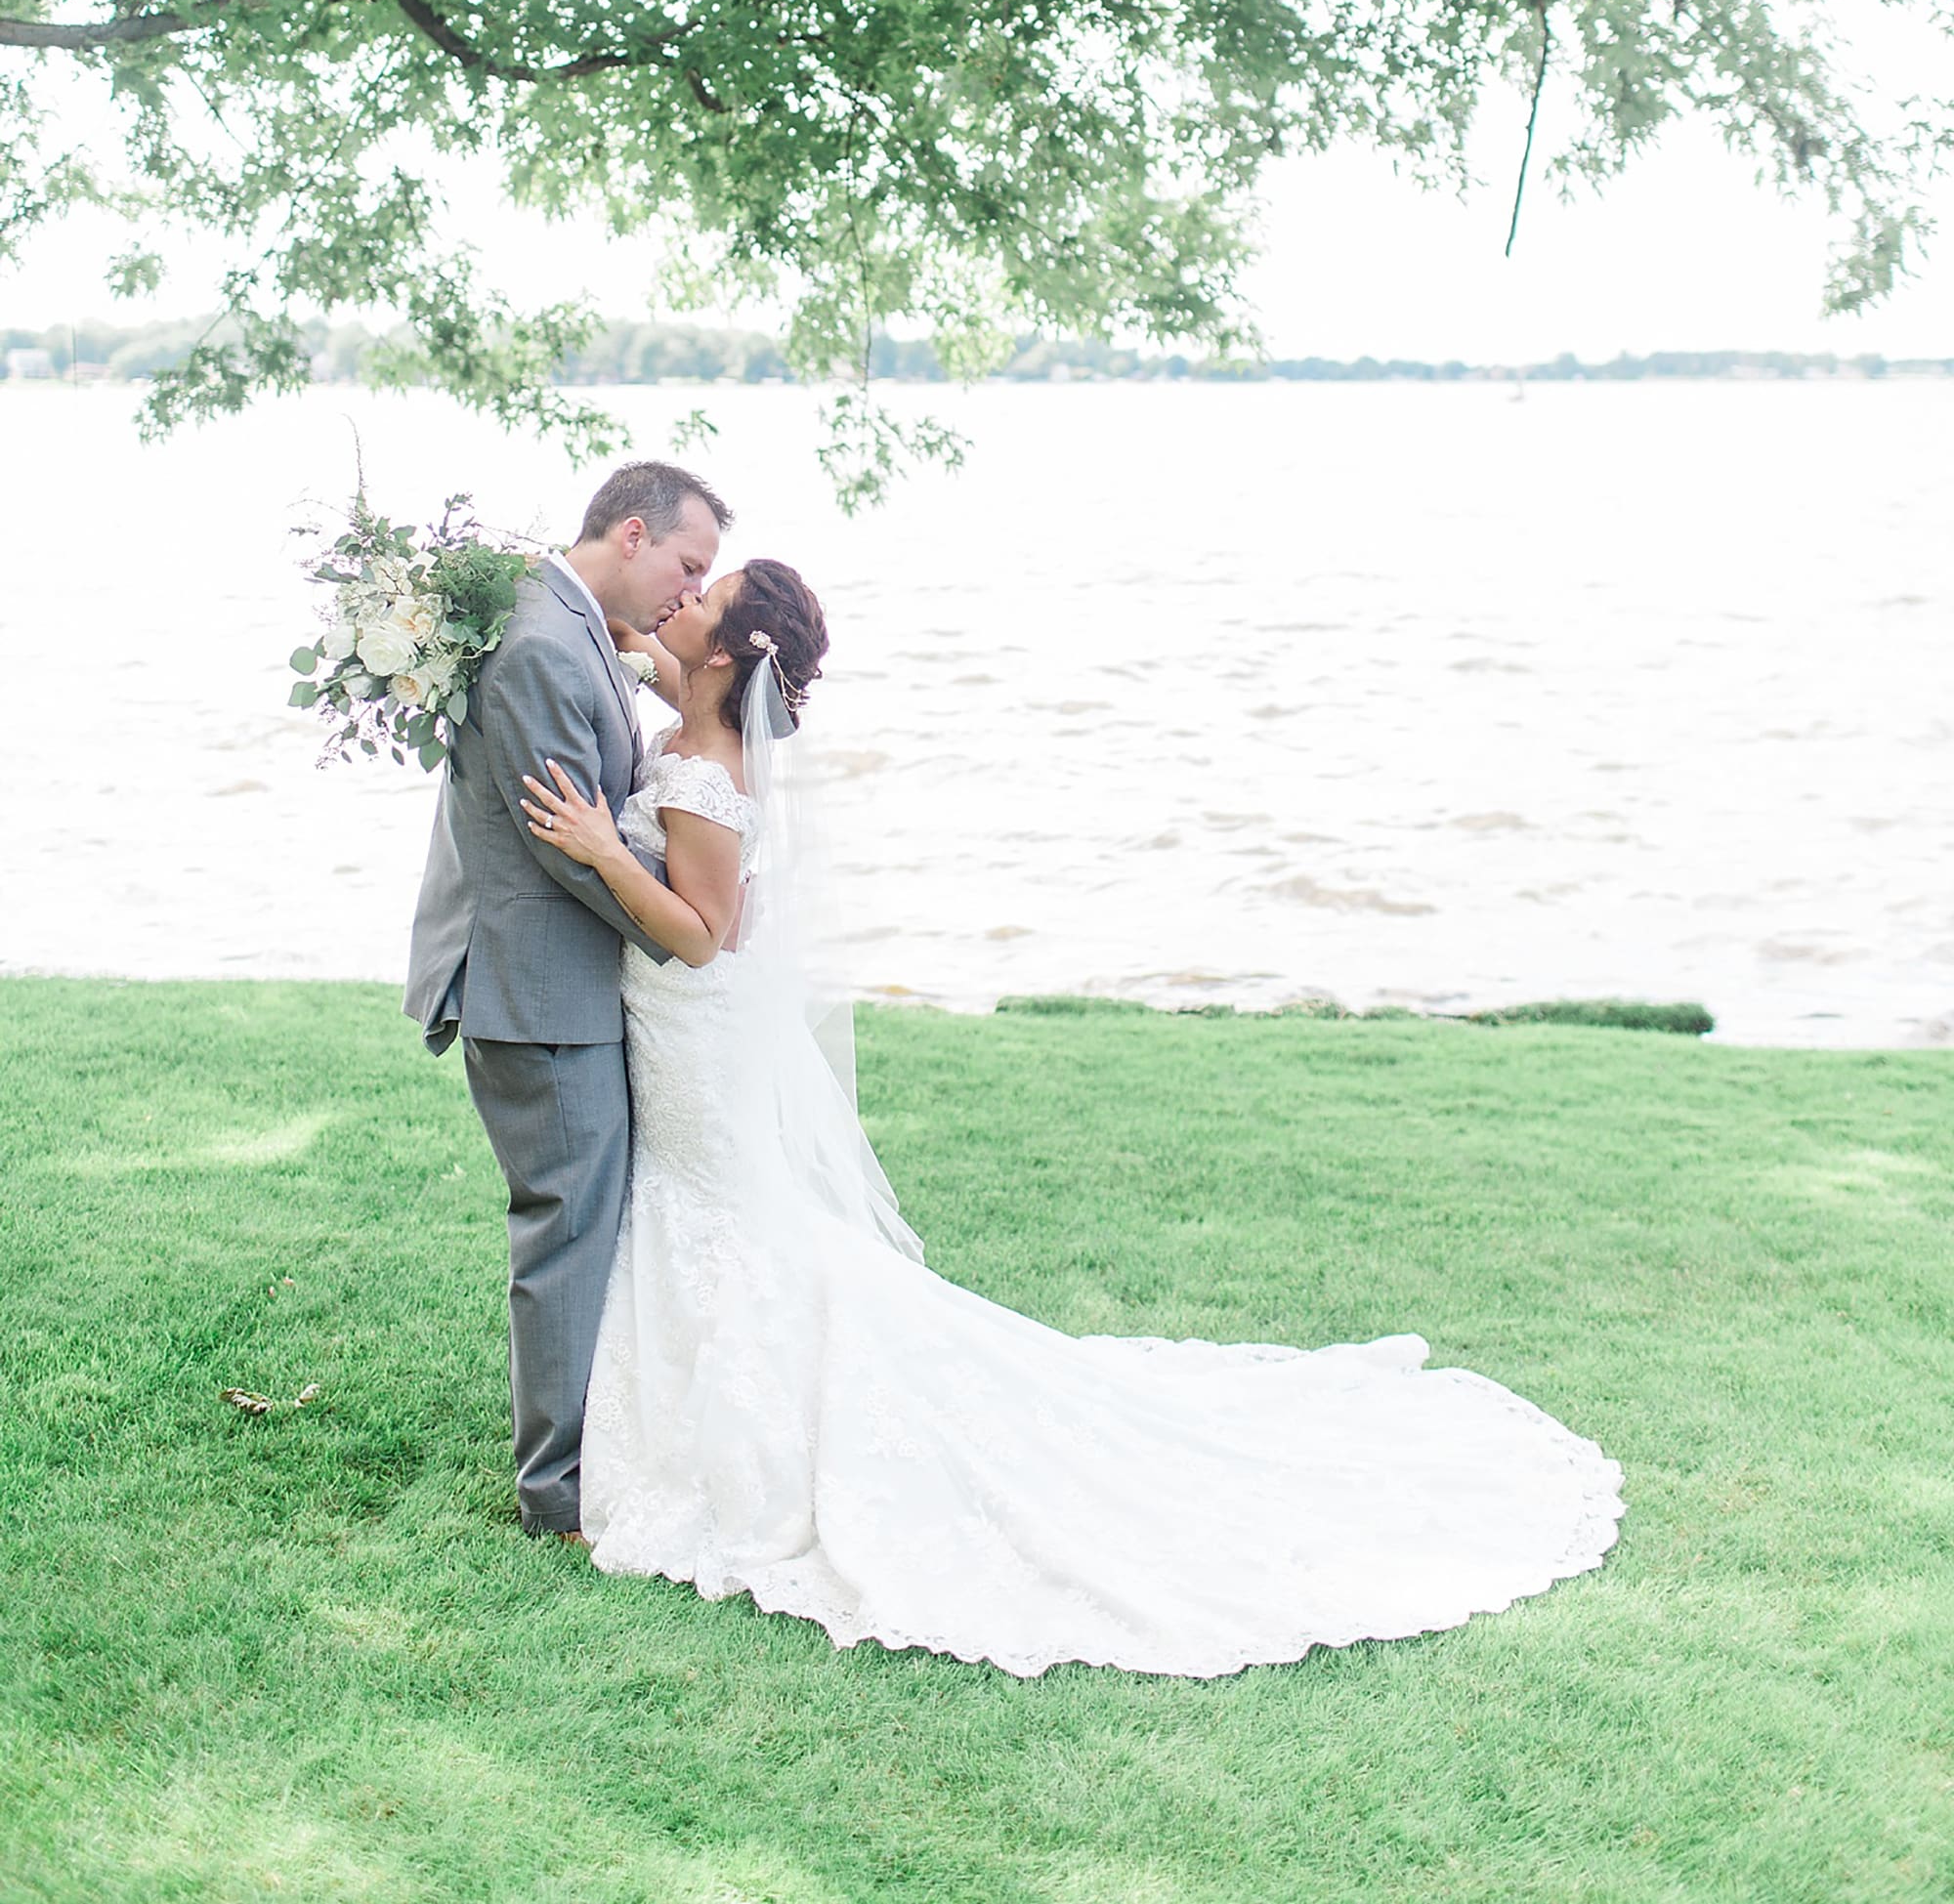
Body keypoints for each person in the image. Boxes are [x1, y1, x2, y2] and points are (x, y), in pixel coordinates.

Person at [524, 564, 1627, 1677]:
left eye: (703, 598)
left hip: (693, 1025)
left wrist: (605, 850)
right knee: (722, 1211)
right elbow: (631, 642)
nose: (683, 600)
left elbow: (705, 930)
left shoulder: (706, 774)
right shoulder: (694, 715)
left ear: (726, 655)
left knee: (730, 1216)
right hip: (681, 1027)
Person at [404, 458, 729, 1540]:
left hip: (556, 985)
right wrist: (685, 938)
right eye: (686, 566)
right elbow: (571, 850)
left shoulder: (563, 613)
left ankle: (589, 1452)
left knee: (585, 1225)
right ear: (631, 534)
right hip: (536, 991)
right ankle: (558, 1494)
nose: (688, 595)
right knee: (565, 1235)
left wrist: (657, 670)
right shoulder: (545, 639)